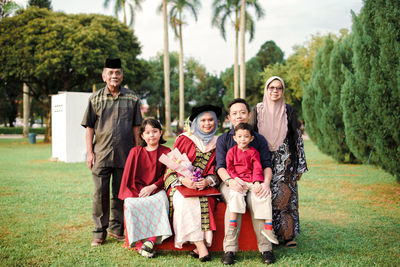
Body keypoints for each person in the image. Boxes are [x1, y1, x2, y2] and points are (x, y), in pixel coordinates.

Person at [81, 58, 143, 246]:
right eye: (110, 73)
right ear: (104, 76)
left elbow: (136, 127)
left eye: (117, 73)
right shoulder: (95, 98)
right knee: (100, 193)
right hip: (101, 154)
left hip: (126, 154)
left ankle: (117, 229)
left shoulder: (132, 98)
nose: (114, 76)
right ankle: (99, 232)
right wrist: (90, 153)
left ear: (122, 76)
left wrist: (138, 151)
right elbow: (89, 127)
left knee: (120, 193)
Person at [249, 76, 308, 248]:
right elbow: (250, 136)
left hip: (286, 160)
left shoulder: (288, 110)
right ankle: (269, 235)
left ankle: (288, 236)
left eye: (279, 88)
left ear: (282, 91)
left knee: (286, 199)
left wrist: (300, 166)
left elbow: (297, 138)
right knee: (266, 197)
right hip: (263, 159)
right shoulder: (257, 110)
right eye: (271, 88)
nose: (275, 91)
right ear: (266, 90)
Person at [216, 98, 275, 265]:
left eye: (242, 112)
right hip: (231, 182)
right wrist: (230, 181)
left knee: (258, 198)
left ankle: (266, 249)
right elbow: (221, 167)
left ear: (249, 115)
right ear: (229, 117)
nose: (239, 116)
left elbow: (266, 166)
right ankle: (229, 249)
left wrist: (265, 184)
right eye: (234, 113)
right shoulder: (223, 140)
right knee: (234, 197)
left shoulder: (259, 139)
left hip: (255, 181)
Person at [164, 105, 221, 262]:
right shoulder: (184, 139)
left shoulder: (220, 142)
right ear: (196, 122)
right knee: (184, 201)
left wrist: (208, 181)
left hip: (205, 187)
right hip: (181, 184)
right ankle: (201, 246)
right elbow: (171, 167)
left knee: (203, 201)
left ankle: (199, 245)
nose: (207, 123)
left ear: (216, 122)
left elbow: (219, 170)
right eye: (203, 120)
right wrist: (184, 180)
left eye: (211, 120)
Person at [118, 118, 172, 258]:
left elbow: (168, 174)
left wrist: (153, 187)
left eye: (154, 131)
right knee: (130, 204)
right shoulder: (135, 152)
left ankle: (151, 240)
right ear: (142, 135)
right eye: (147, 132)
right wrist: (134, 193)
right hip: (138, 189)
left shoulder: (166, 151)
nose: (151, 135)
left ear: (160, 133)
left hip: (157, 188)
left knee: (161, 201)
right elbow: (128, 177)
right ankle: (139, 245)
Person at [226, 123, 278, 246]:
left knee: (264, 195)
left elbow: (257, 168)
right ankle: (232, 226)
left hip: (251, 180)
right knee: (235, 195)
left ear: (251, 138)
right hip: (239, 181)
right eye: (239, 136)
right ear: (235, 138)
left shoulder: (254, 152)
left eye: (246, 136)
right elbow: (230, 168)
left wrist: (257, 182)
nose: (242, 139)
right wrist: (235, 179)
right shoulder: (231, 152)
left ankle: (268, 228)